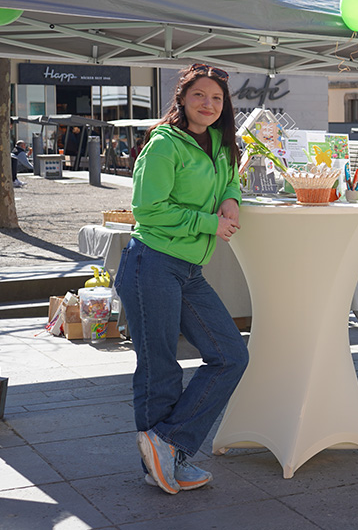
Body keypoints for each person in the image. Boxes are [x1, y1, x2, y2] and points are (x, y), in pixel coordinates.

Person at [113, 63, 249, 495]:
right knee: (160, 368)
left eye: (216, 98)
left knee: (231, 356)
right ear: (182, 100)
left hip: (189, 269)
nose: (208, 104)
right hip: (151, 262)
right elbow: (147, 209)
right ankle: (164, 460)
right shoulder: (164, 145)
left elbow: (230, 183)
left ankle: (168, 445)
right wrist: (210, 222)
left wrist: (231, 199)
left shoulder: (223, 146)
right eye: (199, 96)